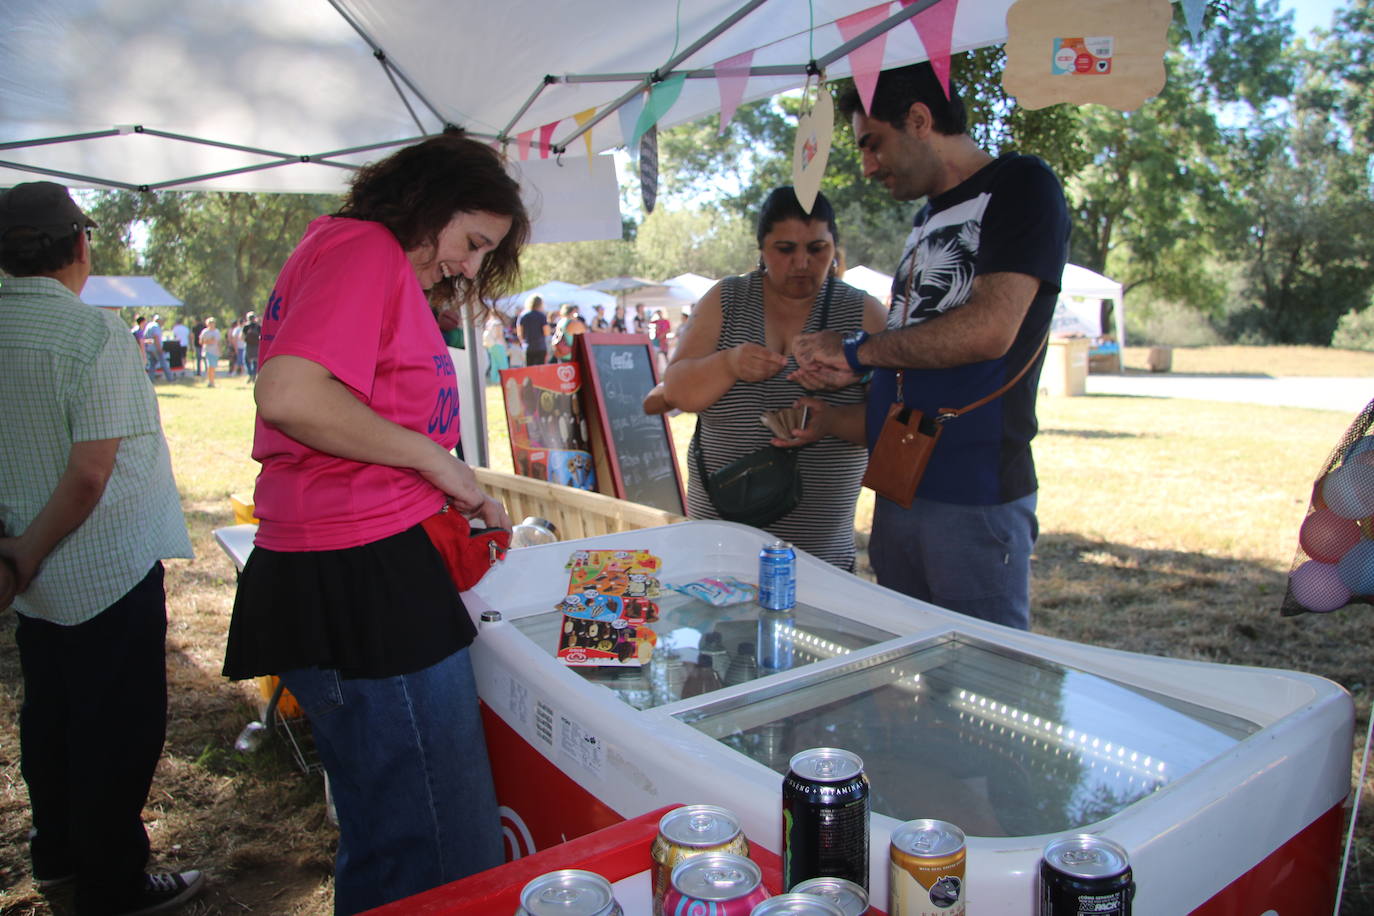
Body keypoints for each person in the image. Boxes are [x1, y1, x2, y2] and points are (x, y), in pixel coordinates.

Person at [221, 131, 529, 915]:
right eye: (471, 242)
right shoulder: (363, 249)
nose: (467, 265)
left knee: (388, 838)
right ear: (428, 201)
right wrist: (437, 463)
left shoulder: (347, 250)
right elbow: (290, 394)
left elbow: (356, 419)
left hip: (348, 565)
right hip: (364, 577)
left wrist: (449, 485)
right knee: (444, 851)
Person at [791, 62, 1071, 629]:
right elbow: (918, 343)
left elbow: (990, 329)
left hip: (974, 494)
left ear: (919, 120)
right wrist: (857, 376)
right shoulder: (926, 218)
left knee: (984, 686)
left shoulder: (1020, 186)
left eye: (873, 145)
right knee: (907, 677)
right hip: (900, 481)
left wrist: (857, 351)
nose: (867, 167)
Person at [0, 181, 203, 914]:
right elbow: (90, 474)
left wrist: (18, 554)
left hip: (35, 580)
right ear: (80, 246)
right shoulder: (92, 333)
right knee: (116, 732)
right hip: (101, 569)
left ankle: (57, 859)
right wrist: (27, 549)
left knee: (50, 720)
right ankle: (111, 883)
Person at [661, 187, 886, 570]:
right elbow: (677, 390)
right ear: (761, 248)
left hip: (819, 552)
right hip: (719, 542)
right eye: (785, 249)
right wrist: (729, 364)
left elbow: (891, 421)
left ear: (835, 247)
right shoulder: (726, 299)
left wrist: (830, 421)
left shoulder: (863, 313)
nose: (802, 262)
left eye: (817, 249)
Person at [518, 293, 549, 365]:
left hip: (527, 347)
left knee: (529, 370)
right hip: (540, 347)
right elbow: (546, 332)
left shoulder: (523, 316)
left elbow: (520, 333)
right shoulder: (541, 316)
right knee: (540, 369)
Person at [483, 310, 509, 383]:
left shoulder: (488, 323)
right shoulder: (497, 323)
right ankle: (504, 380)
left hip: (491, 346)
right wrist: (505, 345)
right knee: (503, 364)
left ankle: (494, 380)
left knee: (494, 364)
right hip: (498, 345)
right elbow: (499, 336)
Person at [198, 317, 221, 388]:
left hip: (215, 351)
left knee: (213, 367)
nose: (211, 324)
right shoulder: (205, 332)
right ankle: (210, 381)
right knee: (209, 366)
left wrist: (220, 350)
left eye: (213, 323)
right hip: (208, 351)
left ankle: (212, 381)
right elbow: (201, 342)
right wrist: (209, 341)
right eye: (210, 323)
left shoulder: (217, 331)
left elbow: (219, 342)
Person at [241, 310, 262, 381]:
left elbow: (242, 337)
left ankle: (250, 374)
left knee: (246, 360)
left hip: (248, 345)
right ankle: (254, 374)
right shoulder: (258, 326)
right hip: (256, 345)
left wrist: (246, 340)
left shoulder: (246, 326)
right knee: (255, 360)